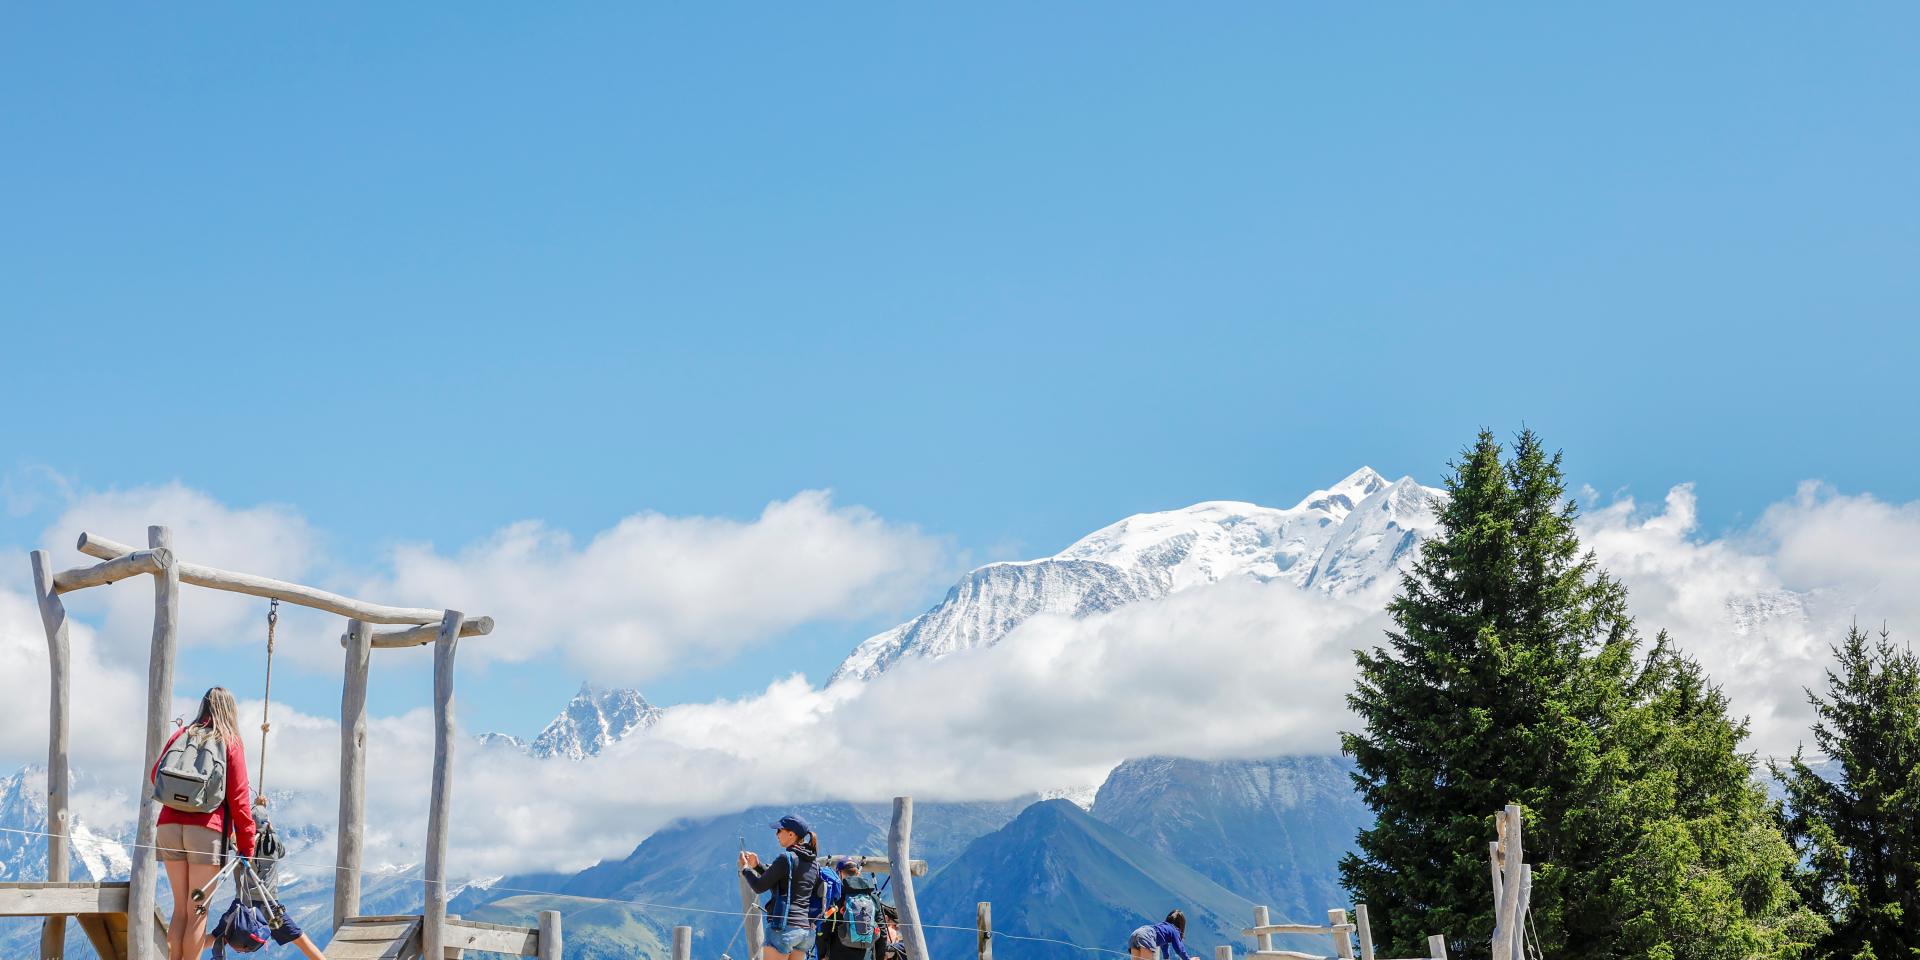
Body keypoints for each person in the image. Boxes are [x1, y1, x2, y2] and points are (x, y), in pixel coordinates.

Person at [151, 687, 257, 960]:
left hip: (168, 828)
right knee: (198, 912)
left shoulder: (182, 735)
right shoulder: (230, 742)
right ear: (231, 710)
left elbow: (156, 775)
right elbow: (239, 799)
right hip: (206, 831)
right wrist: (247, 845)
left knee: (180, 910)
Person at [740, 814, 822, 960]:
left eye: (779, 830)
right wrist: (757, 866)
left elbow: (759, 886)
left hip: (783, 929)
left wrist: (746, 870)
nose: (776, 834)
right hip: (804, 932)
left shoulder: (786, 858)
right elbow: (787, 882)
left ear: (791, 834)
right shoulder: (813, 863)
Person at [1129, 910, 1199, 960]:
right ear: (1181, 924)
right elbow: (1179, 948)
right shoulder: (1174, 930)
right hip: (1146, 936)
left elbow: (1164, 944)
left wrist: (1166, 958)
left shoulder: (1163, 927)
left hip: (1136, 933)